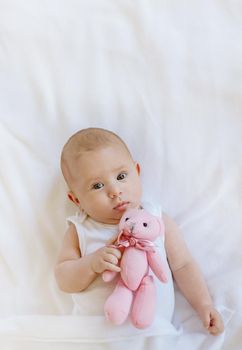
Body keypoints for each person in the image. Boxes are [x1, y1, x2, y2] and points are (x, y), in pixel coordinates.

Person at [55, 127, 224, 345]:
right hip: (95, 337)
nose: (115, 191)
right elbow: (63, 278)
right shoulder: (80, 229)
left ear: (137, 171)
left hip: (154, 334)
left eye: (121, 176)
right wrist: (90, 265)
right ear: (76, 199)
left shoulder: (156, 218)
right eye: (97, 185)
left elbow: (183, 265)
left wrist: (204, 305)